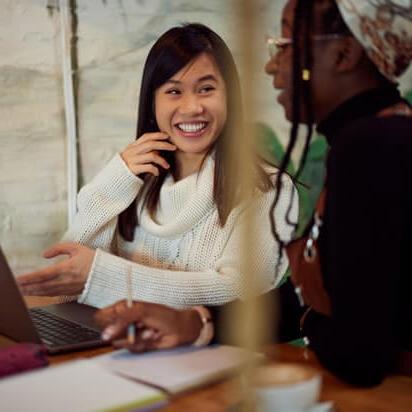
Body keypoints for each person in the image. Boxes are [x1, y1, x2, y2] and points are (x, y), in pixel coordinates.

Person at [94, 0, 412, 388]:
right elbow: (311, 300)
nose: (270, 66)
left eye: (284, 46)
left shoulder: (374, 146)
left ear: (343, 55)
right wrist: (198, 322)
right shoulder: (372, 137)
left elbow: (358, 352)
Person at [18, 24, 297, 312]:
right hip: (123, 347)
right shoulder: (135, 178)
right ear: (152, 102)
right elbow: (70, 281)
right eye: (174, 91)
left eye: (206, 89)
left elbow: (238, 292)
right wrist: (112, 184)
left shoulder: (269, 188)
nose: (191, 108)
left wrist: (105, 279)